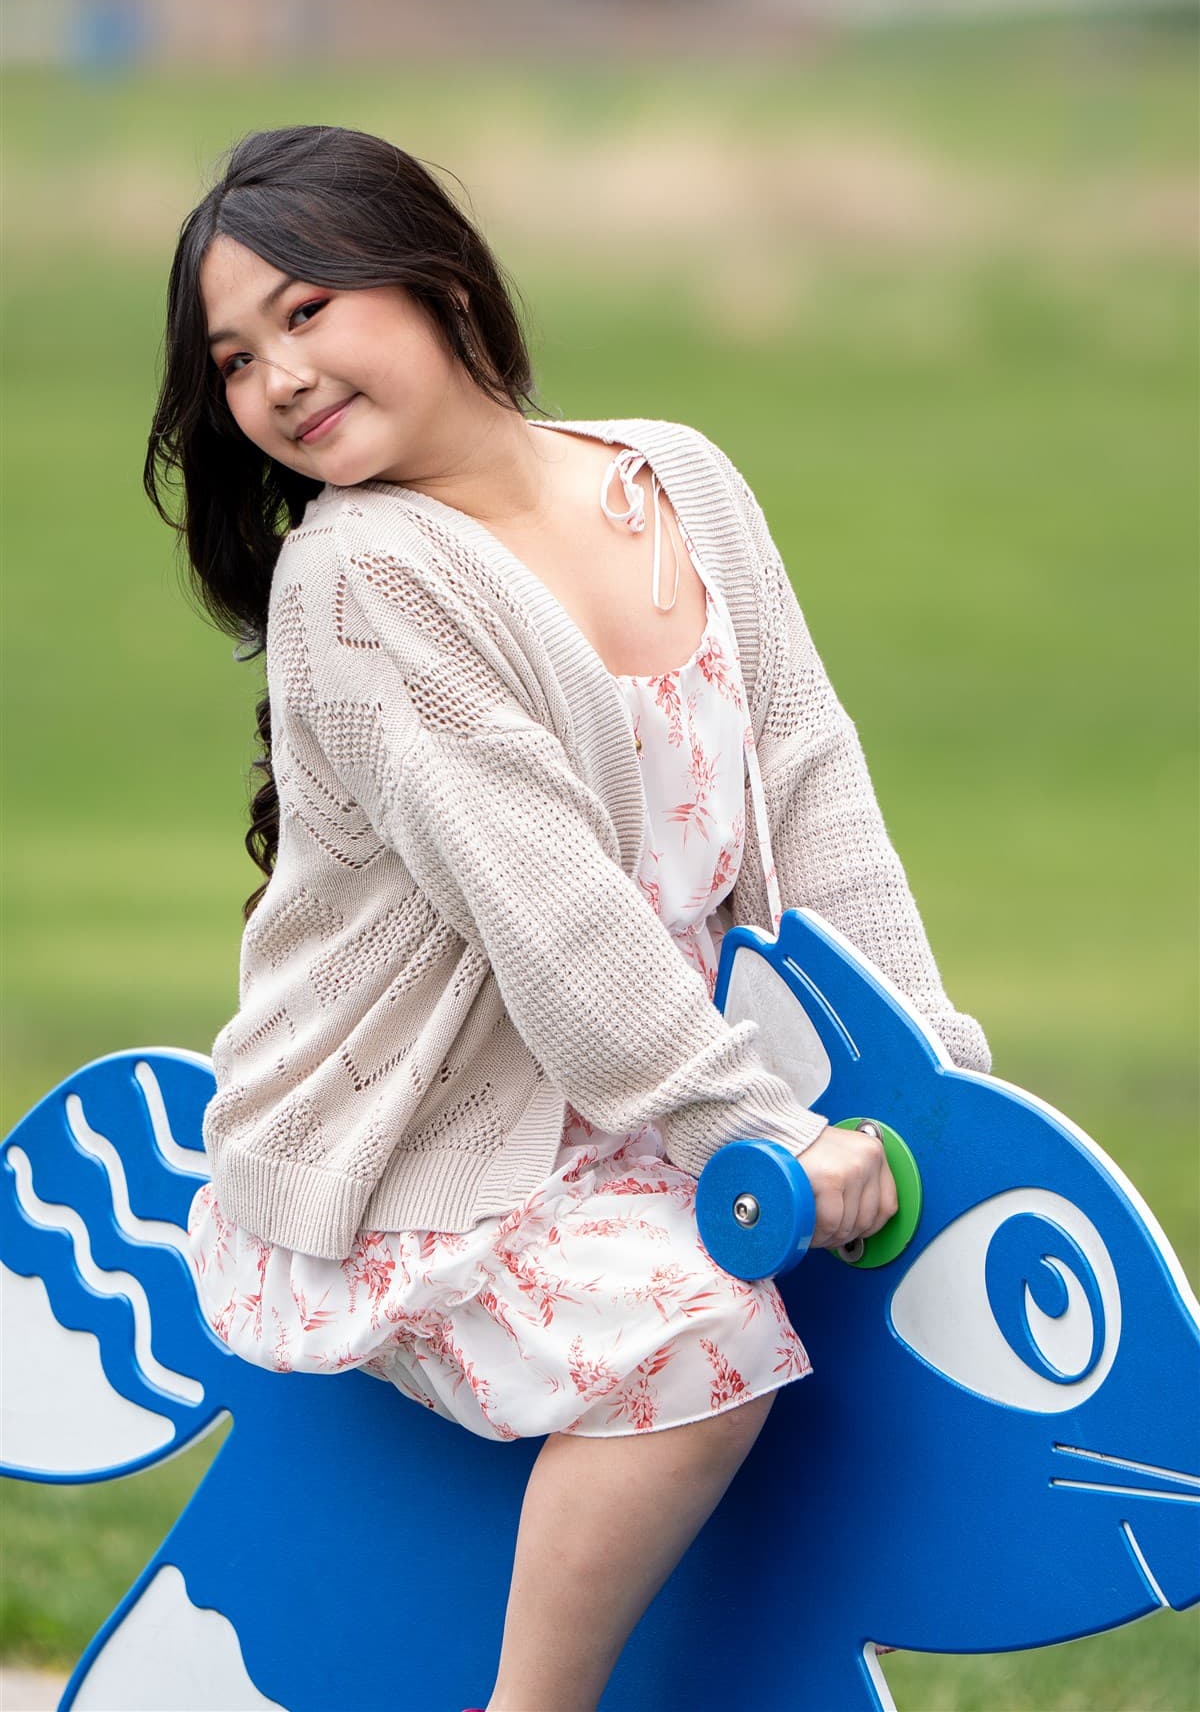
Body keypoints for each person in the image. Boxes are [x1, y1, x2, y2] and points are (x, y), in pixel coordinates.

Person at [145, 124, 990, 1712]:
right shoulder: (364, 579)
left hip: (659, 1101)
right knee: (698, 1334)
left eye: (307, 310)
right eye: (237, 359)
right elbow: (555, 920)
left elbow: (810, 779)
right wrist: (761, 1135)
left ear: (440, 278)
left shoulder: (680, 483)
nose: (279, 378)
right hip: (437, 1155)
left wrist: (924, 1068)